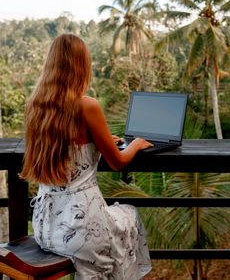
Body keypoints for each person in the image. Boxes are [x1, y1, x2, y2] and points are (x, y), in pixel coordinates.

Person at [20, 33, 153, 280]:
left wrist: (99, 142)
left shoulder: (36, 106)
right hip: (81, 231)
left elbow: (69, 145)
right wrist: (134, 144)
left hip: (45, 229)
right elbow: (118, 161)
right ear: (81, 65)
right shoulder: (87, 105)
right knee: (129, 213)